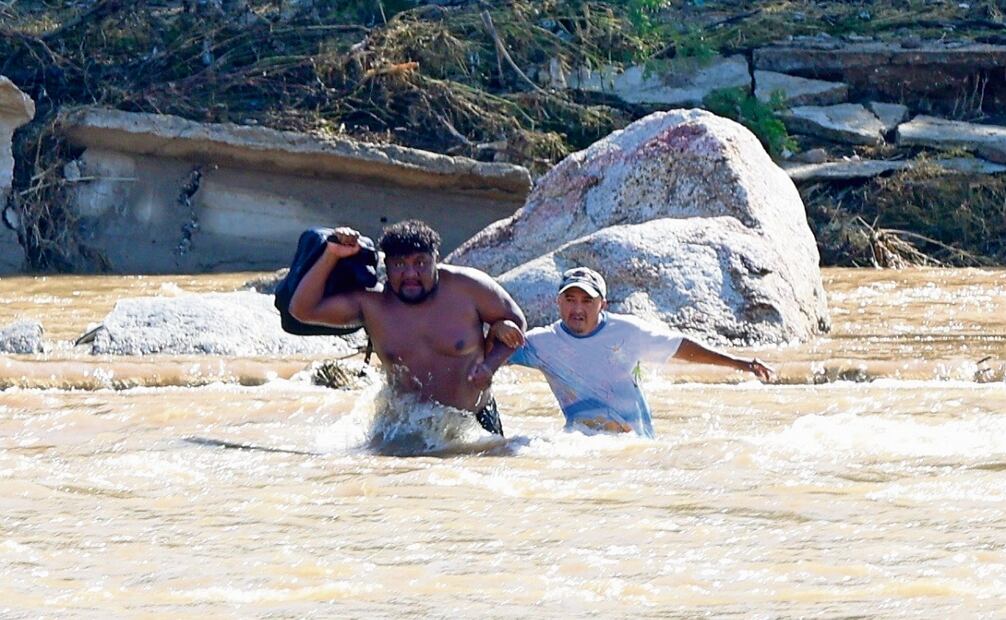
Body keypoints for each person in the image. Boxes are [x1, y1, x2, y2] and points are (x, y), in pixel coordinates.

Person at [289, 219, 526, 437]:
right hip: (403, 425)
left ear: (436, 259)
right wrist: (332, 253)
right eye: (399, 264)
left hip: (474, 422)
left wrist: (489, 366)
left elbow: (517, 321)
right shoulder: (373, 305)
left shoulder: (468, 287)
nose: (410, 274)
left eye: (420, 263)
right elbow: (301, 310)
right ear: (387, 266)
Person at [490, 267, 775, 438]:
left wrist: (740, 363)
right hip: (579, 444)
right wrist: (496, 329)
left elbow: (680, 347)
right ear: (558, 302)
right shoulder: (541, 343)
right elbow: (485, 355)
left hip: (634, 444)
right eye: (570, 299)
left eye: (587, 301)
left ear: (603, 304)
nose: (577, 309)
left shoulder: (627, 332)